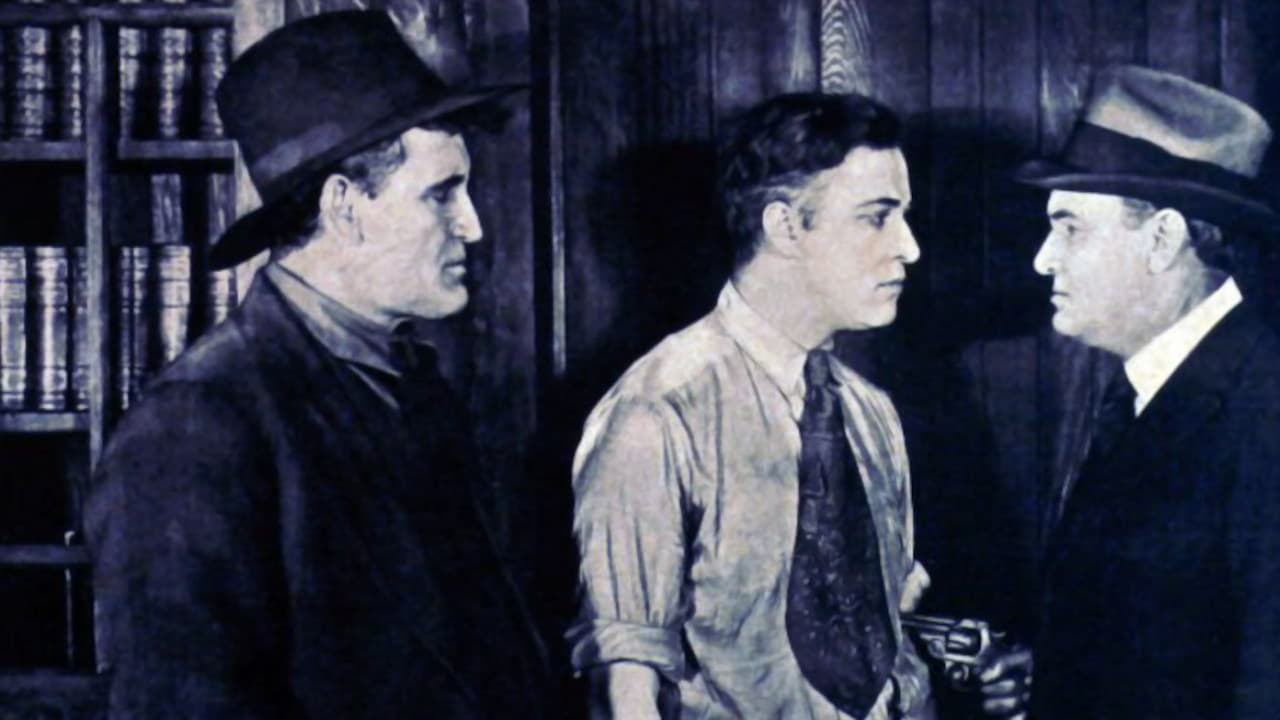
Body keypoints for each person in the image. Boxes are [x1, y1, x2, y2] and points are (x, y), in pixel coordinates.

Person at [85, 11, 548, 719]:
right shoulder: (192, 430)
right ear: (344, 207)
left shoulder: (419, 393)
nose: (473, 225)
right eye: (442, 193)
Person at [568, 92, 935, 720]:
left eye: (903, 217)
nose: (909, 247)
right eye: (877, 217)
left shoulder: (872, 416)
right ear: (784, 227)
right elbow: (626, 682)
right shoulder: (657, 415)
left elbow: (887, 638)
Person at [1015, 64, 1280, 719]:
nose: (1043, 259)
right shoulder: (1151, 389)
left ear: (1163, 239)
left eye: (1070, 228)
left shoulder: (1264, 411)